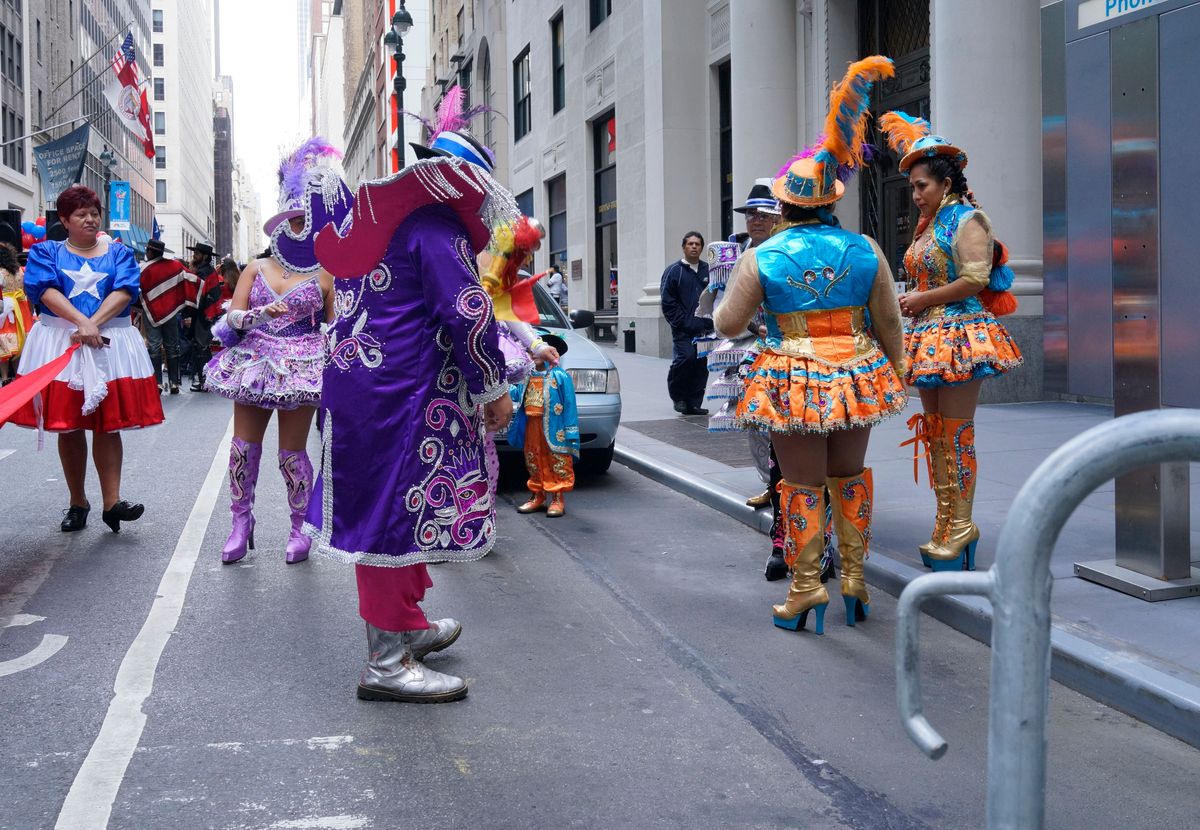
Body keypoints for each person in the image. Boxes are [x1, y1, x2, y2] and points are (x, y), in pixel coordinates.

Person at [305, 128, 519, 704]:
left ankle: (405, 625)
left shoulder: (384, 223)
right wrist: (493, 386)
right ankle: (386, 662)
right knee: (390, 515)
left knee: (398, 507)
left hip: (367, 389)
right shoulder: (434, 227)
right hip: (402, 394)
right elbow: (468, 312)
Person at [715, 55, 905, 634]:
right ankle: (853, 579)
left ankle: (804, 590)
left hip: (791, 374)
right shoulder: (866, 248)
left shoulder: (762, 255)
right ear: (831, 203)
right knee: (850, 475)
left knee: (799, 485)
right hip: (856, 372)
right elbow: (890, 322)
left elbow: (726, 323)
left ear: (785, 205)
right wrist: (895, 372)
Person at [879, 111, 1023, 572]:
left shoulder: (967, 219)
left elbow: (975, 278)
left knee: (956, 435)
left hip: (961, 334)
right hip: (929, 336)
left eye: (921, 186)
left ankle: (961, 524)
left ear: (945, 182)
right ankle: (945, 521)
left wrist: (922, 298)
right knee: (936, 433)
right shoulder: (931, 224)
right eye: (913, 188)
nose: (916, 195)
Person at [204, 138, 348, 565]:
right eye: (295, 219)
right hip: (253, 363)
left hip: (301, 367)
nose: (300, 227)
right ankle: (240, 522)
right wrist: (257, 315)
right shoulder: (256, 267)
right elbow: (229, 321)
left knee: (292, 455)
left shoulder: (327, 274)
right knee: (242, 451)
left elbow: (335, 326)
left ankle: (298, 527)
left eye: (307, 220)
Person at [7, 185, 163, 532]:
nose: (90, 219)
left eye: (94, 213)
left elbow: (125, 291)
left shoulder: (120, 254)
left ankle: (112, 502)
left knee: (108, 424)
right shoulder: (46, 252)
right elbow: (45, 291)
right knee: (70, 423)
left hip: (109, 343)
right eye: (81, 214)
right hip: (61, 344)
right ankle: (78, 501)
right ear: (64, 220)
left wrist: (92, 324)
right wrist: (81, 323)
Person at [509, 333, 579, 518]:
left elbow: (570, 405)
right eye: (532, 351)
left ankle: (557, 498)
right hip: (531, 425)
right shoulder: (527, 375)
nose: (533, 355)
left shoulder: (560, 376)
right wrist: (499, 385)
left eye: (538, 351)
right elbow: (517, 393)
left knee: (556, 459)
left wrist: (571, 431)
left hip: (555, 428)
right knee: (533, 458)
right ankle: (537, 495)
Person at [660, 231, 713, 415]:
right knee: (685, 359)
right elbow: (668, 301)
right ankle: (679, 398)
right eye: (690, 244)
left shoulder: (709, 270)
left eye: (697, 244)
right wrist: (680, 322)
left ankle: (694, 403)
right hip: (683, 330)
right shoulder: (674, 271)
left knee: (701, 365)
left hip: (705, 330)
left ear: (702, 247)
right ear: (684, 247)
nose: (693, 247)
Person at [138, 238, 189, 394]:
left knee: (154, 347)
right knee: (172, 347)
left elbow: (136, 289)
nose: (146, 253)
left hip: (151, 313)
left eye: (147, 250)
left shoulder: (143, 268)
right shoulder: (175, 266)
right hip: (171, 313)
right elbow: (190, 281)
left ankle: (158, 383)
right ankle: (174, 383)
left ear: (151, 251)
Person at [185, 241, 220, 391]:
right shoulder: (206, 270)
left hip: (203, 315)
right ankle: (204, 380)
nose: (194, 255)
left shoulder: (203, 272)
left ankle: (205, 381)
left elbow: (198, 296)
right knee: (202, 348)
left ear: (205, 256)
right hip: (205, 314)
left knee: (201, 348)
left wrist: (189, 314)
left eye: (197, 253)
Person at [0, 241, 33, 384]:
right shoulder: (20, 271)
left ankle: (5, 378)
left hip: (5, 309)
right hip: (21, 308)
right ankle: (18, 379)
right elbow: (27, 292)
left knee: (4, 346)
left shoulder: (0, 273)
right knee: (20, 344)